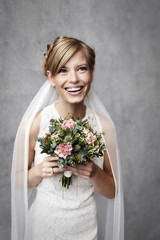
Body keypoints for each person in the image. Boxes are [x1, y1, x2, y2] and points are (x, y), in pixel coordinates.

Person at [11, 36, 124, 240]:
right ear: (51, 77)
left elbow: (113, 190)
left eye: (81, 68)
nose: (74, 79)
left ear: (91, 72)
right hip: (43, 229)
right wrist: (37, 171)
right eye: (63, 70)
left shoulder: (104, 127)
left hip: (86, 230)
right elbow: (17, 179)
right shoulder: (35, 123)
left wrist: (95, 174)